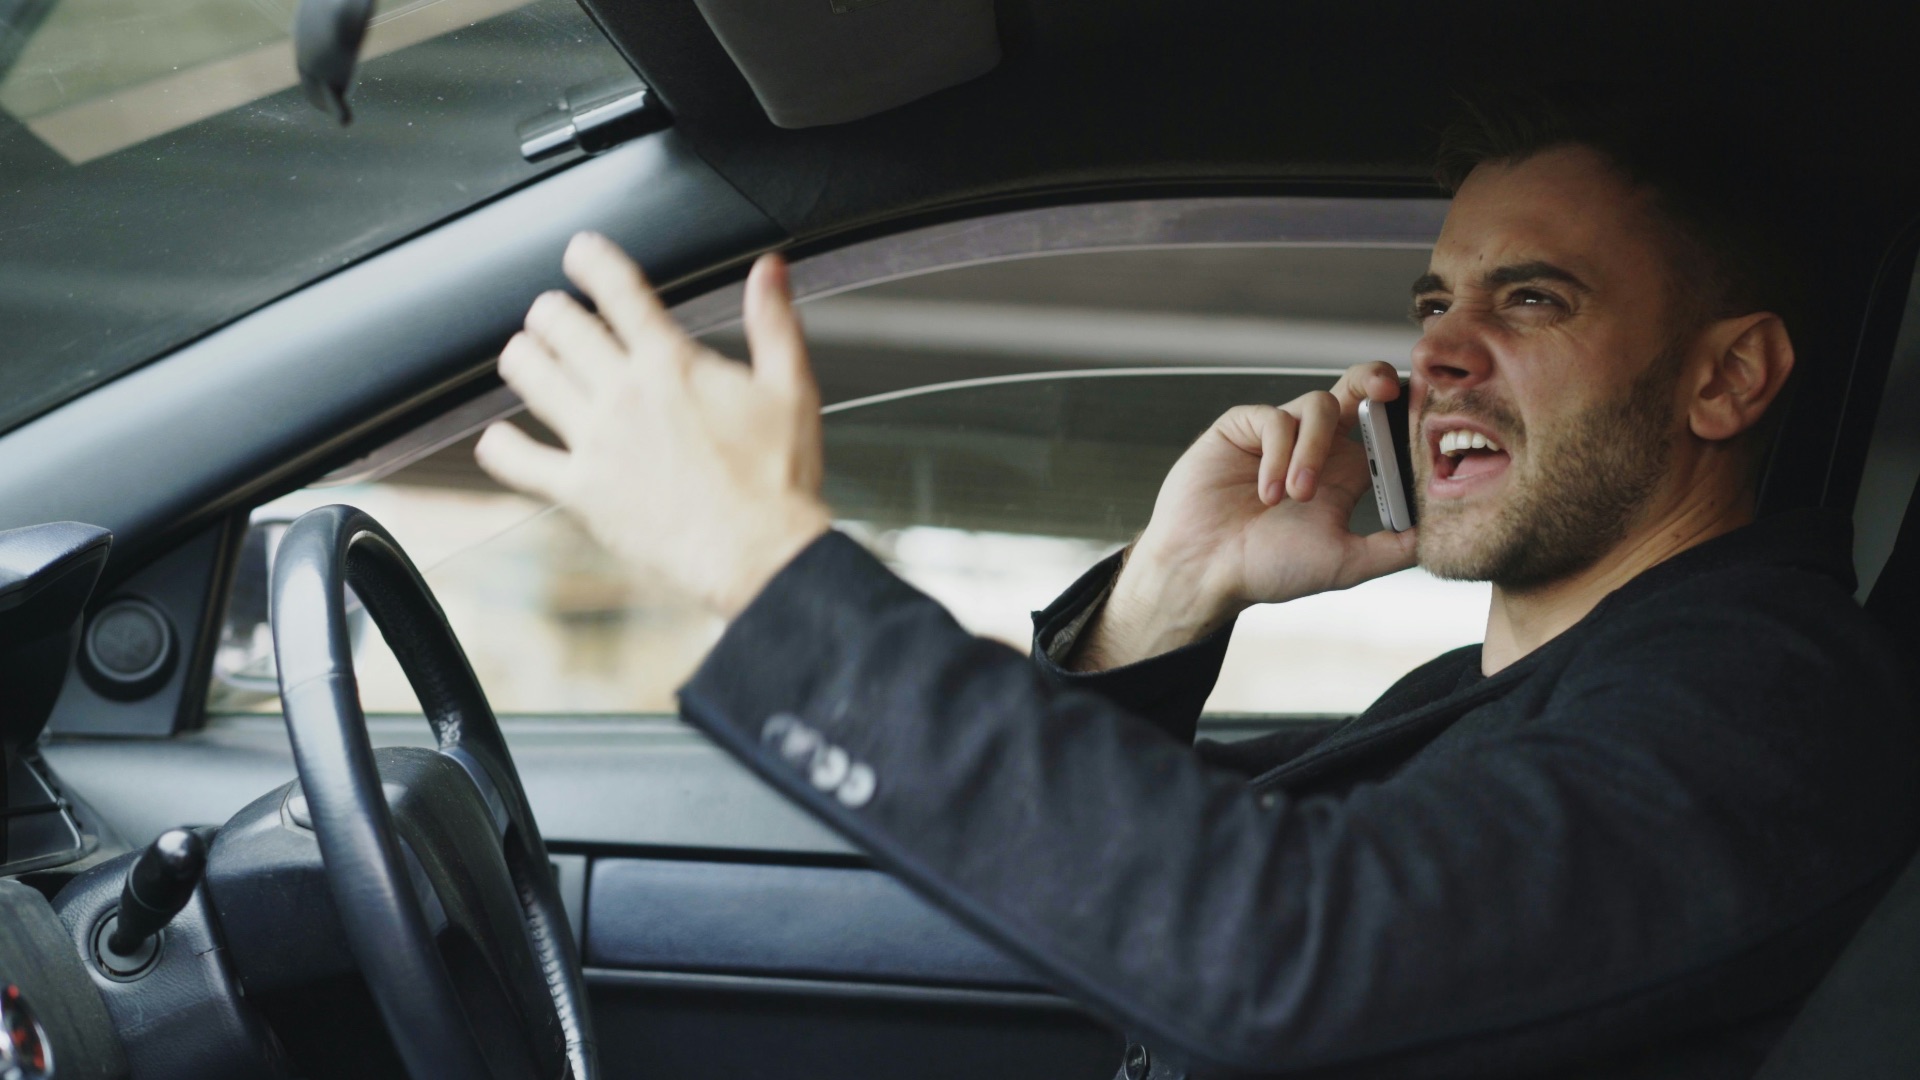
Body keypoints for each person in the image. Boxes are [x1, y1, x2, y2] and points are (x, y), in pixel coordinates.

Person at [473, 89, 1919, 1079]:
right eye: (1436, 303)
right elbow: (1136, 889)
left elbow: (1285, 952)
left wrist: (758, 562)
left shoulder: (1774, 707)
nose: (1438, 358)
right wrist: (1170, 596)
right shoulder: (1516, 689)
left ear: (1729, 377)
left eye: (1530, 298)